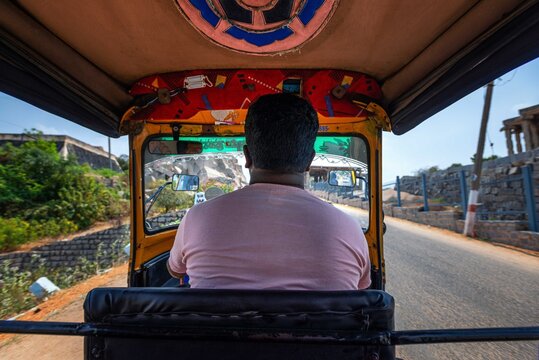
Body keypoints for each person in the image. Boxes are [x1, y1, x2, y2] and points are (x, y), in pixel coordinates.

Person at [167, 93, 371, 290]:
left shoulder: (197, 218)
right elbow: (363, 287)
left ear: (247, 156)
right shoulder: (349, 229)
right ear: (309, 161)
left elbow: (175, 271)